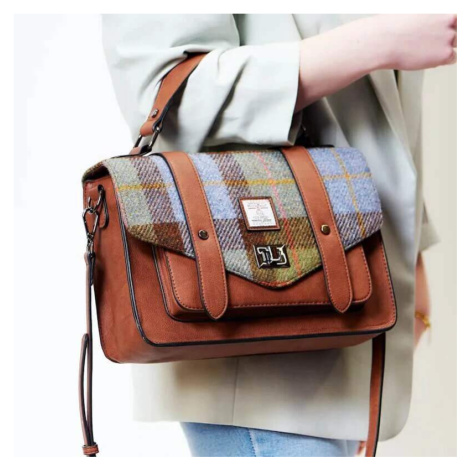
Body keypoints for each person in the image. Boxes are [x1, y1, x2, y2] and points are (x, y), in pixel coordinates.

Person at [101, 14, 455, 457]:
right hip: (251, 357)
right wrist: (376, 41)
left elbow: (376, 121)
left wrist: (412, 246)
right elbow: (168, 94)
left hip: (353, 309)